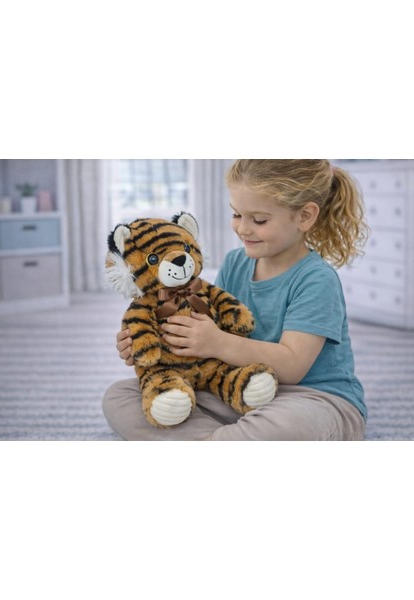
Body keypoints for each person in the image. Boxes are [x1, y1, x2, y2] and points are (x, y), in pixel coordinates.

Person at [103, 159, 369, 441]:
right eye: (236, 214)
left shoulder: (316, 279)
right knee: (121, 396)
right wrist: (151, 341)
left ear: (304, 216)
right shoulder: (235, 262)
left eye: (259, 220)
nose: (242, 229)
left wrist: (217, 342)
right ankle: (227, 440)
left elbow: (292, 366)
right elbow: (205, 329)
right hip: (239, 388)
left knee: (288, 425)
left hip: (312, 398)